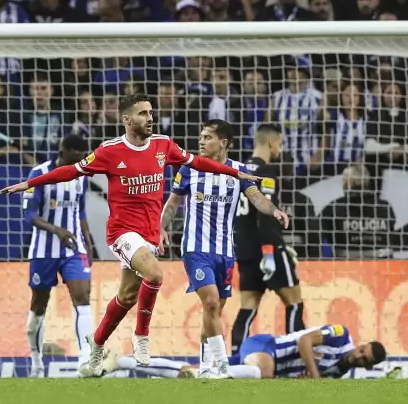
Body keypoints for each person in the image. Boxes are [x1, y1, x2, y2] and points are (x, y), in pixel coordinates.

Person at [0, 93, 261, 378]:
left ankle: (96, 345)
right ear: (127, 119)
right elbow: (68, 172)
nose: (150, 118)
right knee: (156, 274)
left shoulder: (164, 145)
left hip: (148, 235)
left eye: (151, 113)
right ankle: (141, 337)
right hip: (122, 233)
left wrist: (236, 174)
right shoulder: (109, 151)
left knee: (126, 298)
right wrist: (28, 183)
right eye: (143, 114)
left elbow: (198, 163)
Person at [160, 120, 289, 379]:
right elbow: (173, 204)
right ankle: (221, 365)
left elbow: (256, 197)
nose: (201, 141)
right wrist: (160, 227)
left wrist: (273, 210)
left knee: (215, 310)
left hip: (226, 252)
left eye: (208, 137)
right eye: (201, 136)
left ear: (223, 143)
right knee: (209, 303)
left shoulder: (238, 171)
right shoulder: (188, 170)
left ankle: (206, 366)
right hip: (195, 249)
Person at [22, 135, 95, 378]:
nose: (81, 160)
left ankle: (85, 360)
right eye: (77, 155)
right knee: (39, 306)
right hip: (44, 250)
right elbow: (29, 216)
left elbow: (80, 209)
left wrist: (88, 239)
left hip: (74, 248)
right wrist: (57, 230)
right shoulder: (39, 173)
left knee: (82, 298)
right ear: (63, 151)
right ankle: (36, 362)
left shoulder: (81, 175)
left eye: (84, 155)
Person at [232, 124, 305, 357]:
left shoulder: (239, 171)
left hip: (244, 250)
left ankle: (235, 358)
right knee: (294, 303)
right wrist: (270, 253)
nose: (280, 149)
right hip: (268, 248)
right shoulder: (266, 172)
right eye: (280, 144)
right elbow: (266, 215)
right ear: (272, 143)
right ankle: (296, 358)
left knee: (247, 308)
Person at [101, 325, 387, 380]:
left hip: (264, 369)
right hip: (265, 347)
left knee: (188, 372)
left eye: (365, 359)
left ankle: (119, 362)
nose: (359, 356)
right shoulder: (341, 335)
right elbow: (304, 343)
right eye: (363, 351)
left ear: (367, 365)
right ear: (361, 345)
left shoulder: (338, 373)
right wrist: (313, 376)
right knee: (264, 372)